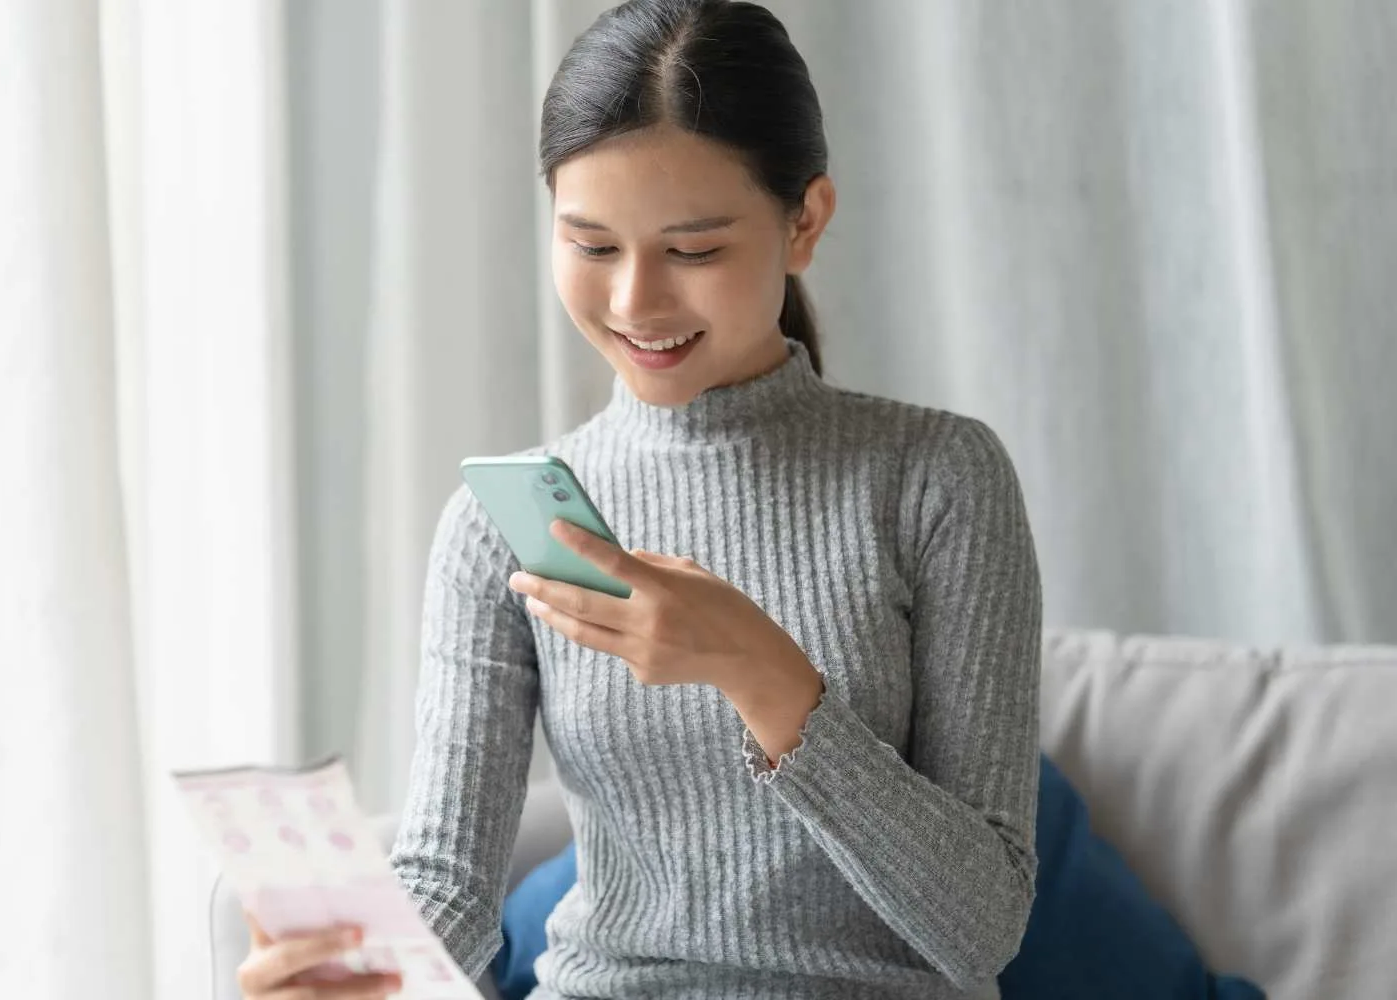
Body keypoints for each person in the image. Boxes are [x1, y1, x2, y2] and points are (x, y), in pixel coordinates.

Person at [237, 0, 1042, 996]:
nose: (634, 303)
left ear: (806, 221)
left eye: (693, 250)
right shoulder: (503, 525)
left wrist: (763, 673)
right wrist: (355, 970)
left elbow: (984, 926)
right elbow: (448, 889)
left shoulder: (937, 479)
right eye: (592, 244)